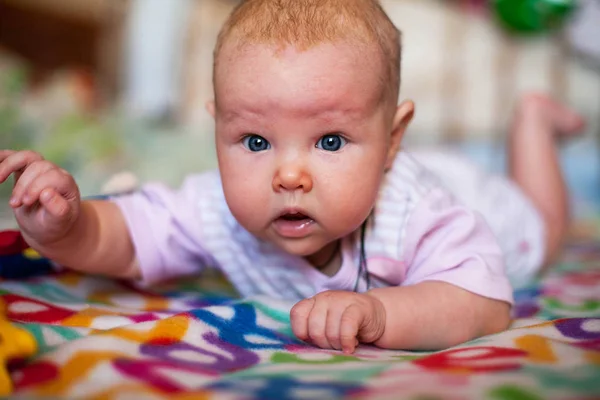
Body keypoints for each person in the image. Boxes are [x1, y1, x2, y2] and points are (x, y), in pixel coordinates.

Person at [0, 0, 584, 354]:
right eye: (255, 141)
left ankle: (531, 121)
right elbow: (128, 237)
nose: (289, 174)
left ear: (392, 140)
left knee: (547, 227)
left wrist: (383, 313)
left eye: (330, 141)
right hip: (422, 172)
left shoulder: (419, 216)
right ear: (217, 129)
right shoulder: (219, 209)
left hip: (489, 208)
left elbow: (481, 303)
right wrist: (66, 226)